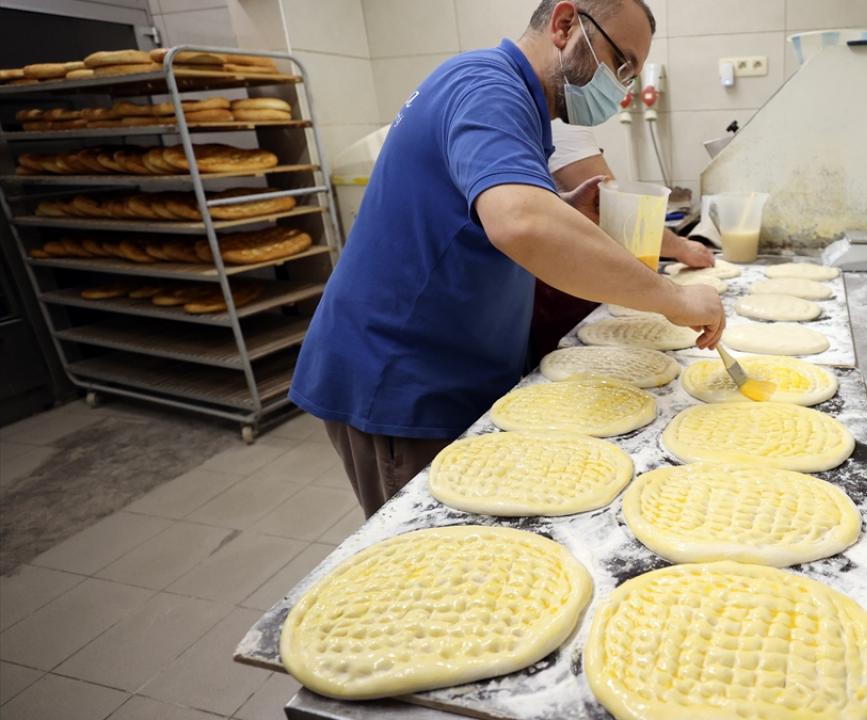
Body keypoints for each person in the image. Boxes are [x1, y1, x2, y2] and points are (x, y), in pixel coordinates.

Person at [290, 0, 725, 518]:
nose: (623, 89)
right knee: (442, 551)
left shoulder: (511, 96)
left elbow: (480, 209)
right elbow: (520, 223)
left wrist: (562, 208)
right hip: (400, 380)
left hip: (447, 370)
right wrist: (674, 299)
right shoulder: (488, 86)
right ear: (565, 25)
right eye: (621, 63)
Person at [528, 120, 715, 366]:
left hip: (544, 284)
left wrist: (567, 205)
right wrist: (680, 268)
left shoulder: (543, 119)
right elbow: (625, 213)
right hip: (553, 290)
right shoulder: (560, 124)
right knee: (564, 362)